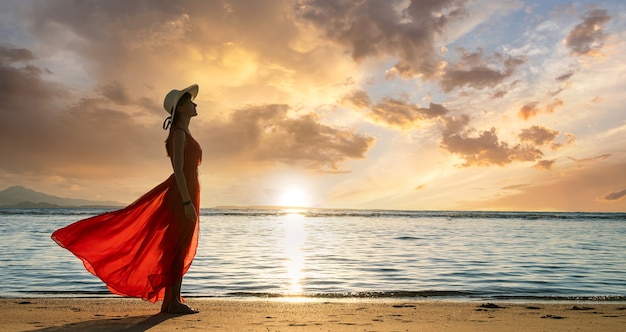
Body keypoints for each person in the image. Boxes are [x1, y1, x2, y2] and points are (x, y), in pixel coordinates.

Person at [51, 84, 202, 314]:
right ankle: (172, 303)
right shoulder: (179, 134)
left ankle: (171, 301)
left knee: (176, 246)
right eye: (190, 101)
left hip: (187, 192)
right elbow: (179, 171)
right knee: (176, 247)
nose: (195, 104)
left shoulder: (184, 133)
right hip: (182, 194)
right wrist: (186, 202)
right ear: (181, 107)